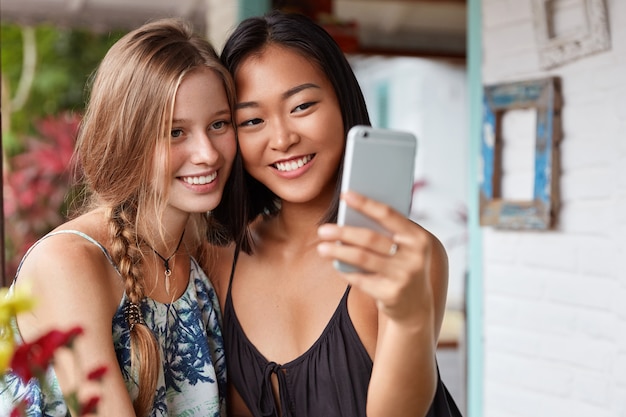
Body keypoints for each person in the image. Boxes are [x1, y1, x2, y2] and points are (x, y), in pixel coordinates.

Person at [209, 10, 451, 417]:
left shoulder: (402, 254)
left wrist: (410, 318)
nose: (283, 139)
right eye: (252, 120)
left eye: (302, 106)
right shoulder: (220, 262)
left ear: (342, 100)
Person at [1, 17, 244, 417]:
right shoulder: (70, 262)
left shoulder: (204, 262)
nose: (208, 153)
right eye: (175, 132)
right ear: (128, 137)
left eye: (219, 124)